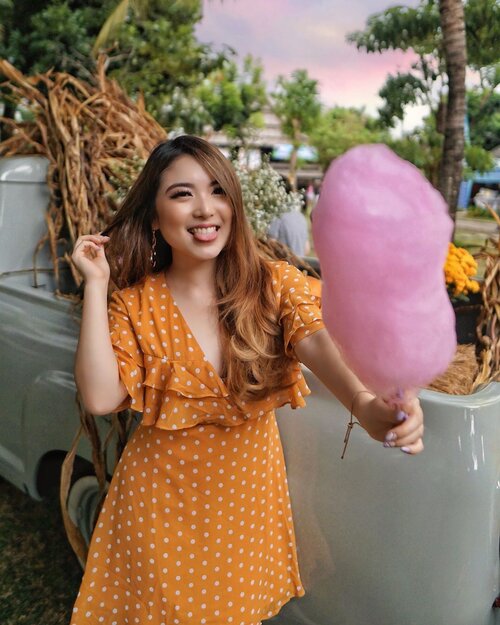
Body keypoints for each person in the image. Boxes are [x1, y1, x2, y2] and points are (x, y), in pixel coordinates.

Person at [70, 135, 424, 625]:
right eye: (181, 194)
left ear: (233, 205)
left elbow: (317, 342)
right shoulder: (134, 303)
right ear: (153, 215)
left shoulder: (271, 285)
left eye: (217, 191)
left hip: (244, 509)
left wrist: (367, 407)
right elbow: (101, 395)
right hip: (159, 506)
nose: (204, 208)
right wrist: (96, 284)